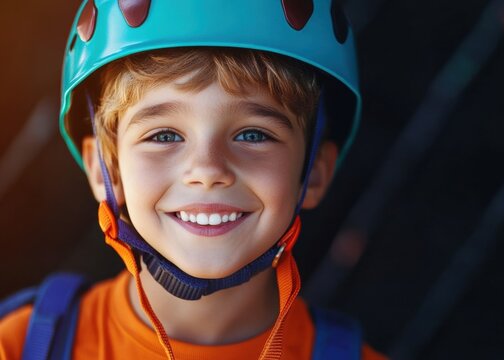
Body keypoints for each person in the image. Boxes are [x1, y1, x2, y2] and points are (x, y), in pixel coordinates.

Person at [0, 1, 386, 359]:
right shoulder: (17, 346)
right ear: (107, 170)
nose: (207, 170)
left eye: (253, 134)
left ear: (315, 172)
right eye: (164, 135)